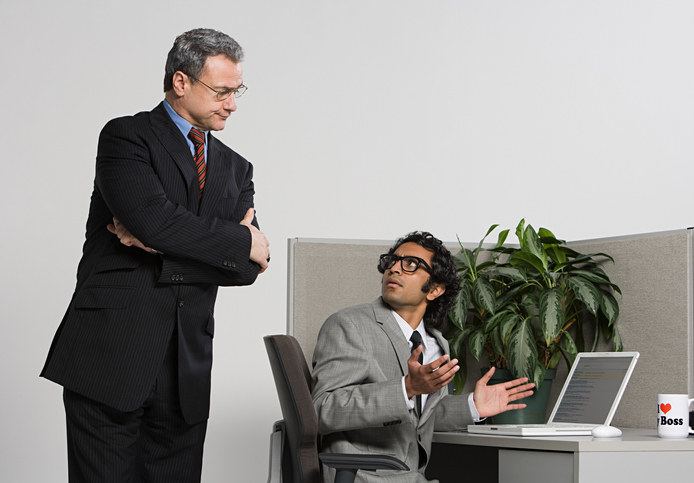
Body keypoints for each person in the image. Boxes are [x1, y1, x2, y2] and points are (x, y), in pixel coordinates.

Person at [40, 28, 269, 482]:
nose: (233, 103)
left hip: (186, 369)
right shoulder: (127, 138)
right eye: (222, 91)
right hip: (112, 355)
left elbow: (248, 268)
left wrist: (164, 247)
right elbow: (155, 222)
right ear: (181, 82)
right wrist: (235, 239)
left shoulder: (236, 168)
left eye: (236, 91)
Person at [311, 231, 534, 482]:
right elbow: (321, 410)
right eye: (392, 261)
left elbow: (422, 416)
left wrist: (473, 406)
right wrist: (405, 388)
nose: (394, 269)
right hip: (364, 477)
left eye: (411, 264)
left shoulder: (436, 344)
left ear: (435, 289)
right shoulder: (349, 325)